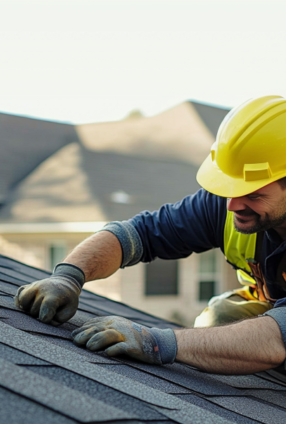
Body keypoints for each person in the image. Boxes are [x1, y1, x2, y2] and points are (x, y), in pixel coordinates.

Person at [16, 95, 286, 375]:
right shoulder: (226, 204)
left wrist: (155, 343)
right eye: (229, 188)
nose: (232, 205)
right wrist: (68, 276)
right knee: (222, 318)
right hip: (274, 314)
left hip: (278, 334)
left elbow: (276, 338)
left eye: (253, 194)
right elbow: (135, 235)